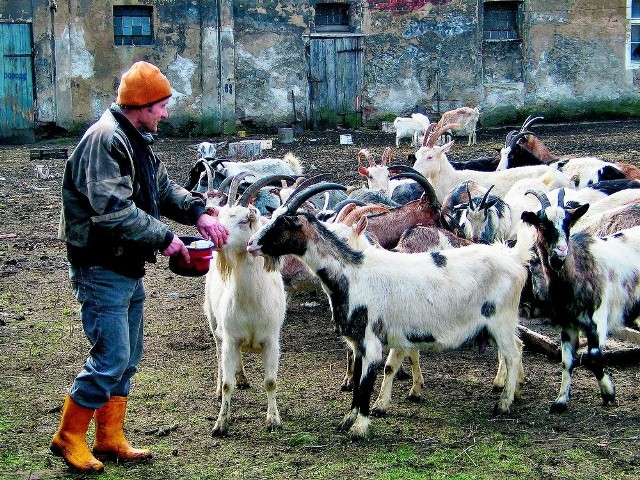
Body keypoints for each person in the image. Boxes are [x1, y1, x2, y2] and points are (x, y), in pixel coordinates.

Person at [51, 61, 228, 473]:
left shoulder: (137, 139)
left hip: (126, 264)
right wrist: (166, 238)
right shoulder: (105, 141)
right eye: (162, 105)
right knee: (111, 355)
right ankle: (68, 436)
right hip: (100, 266)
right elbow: (112, 210)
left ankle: (109, 437)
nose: (166, 113)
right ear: (142, 105)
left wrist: (198, 213)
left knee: (127, 357)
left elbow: (161, 188)